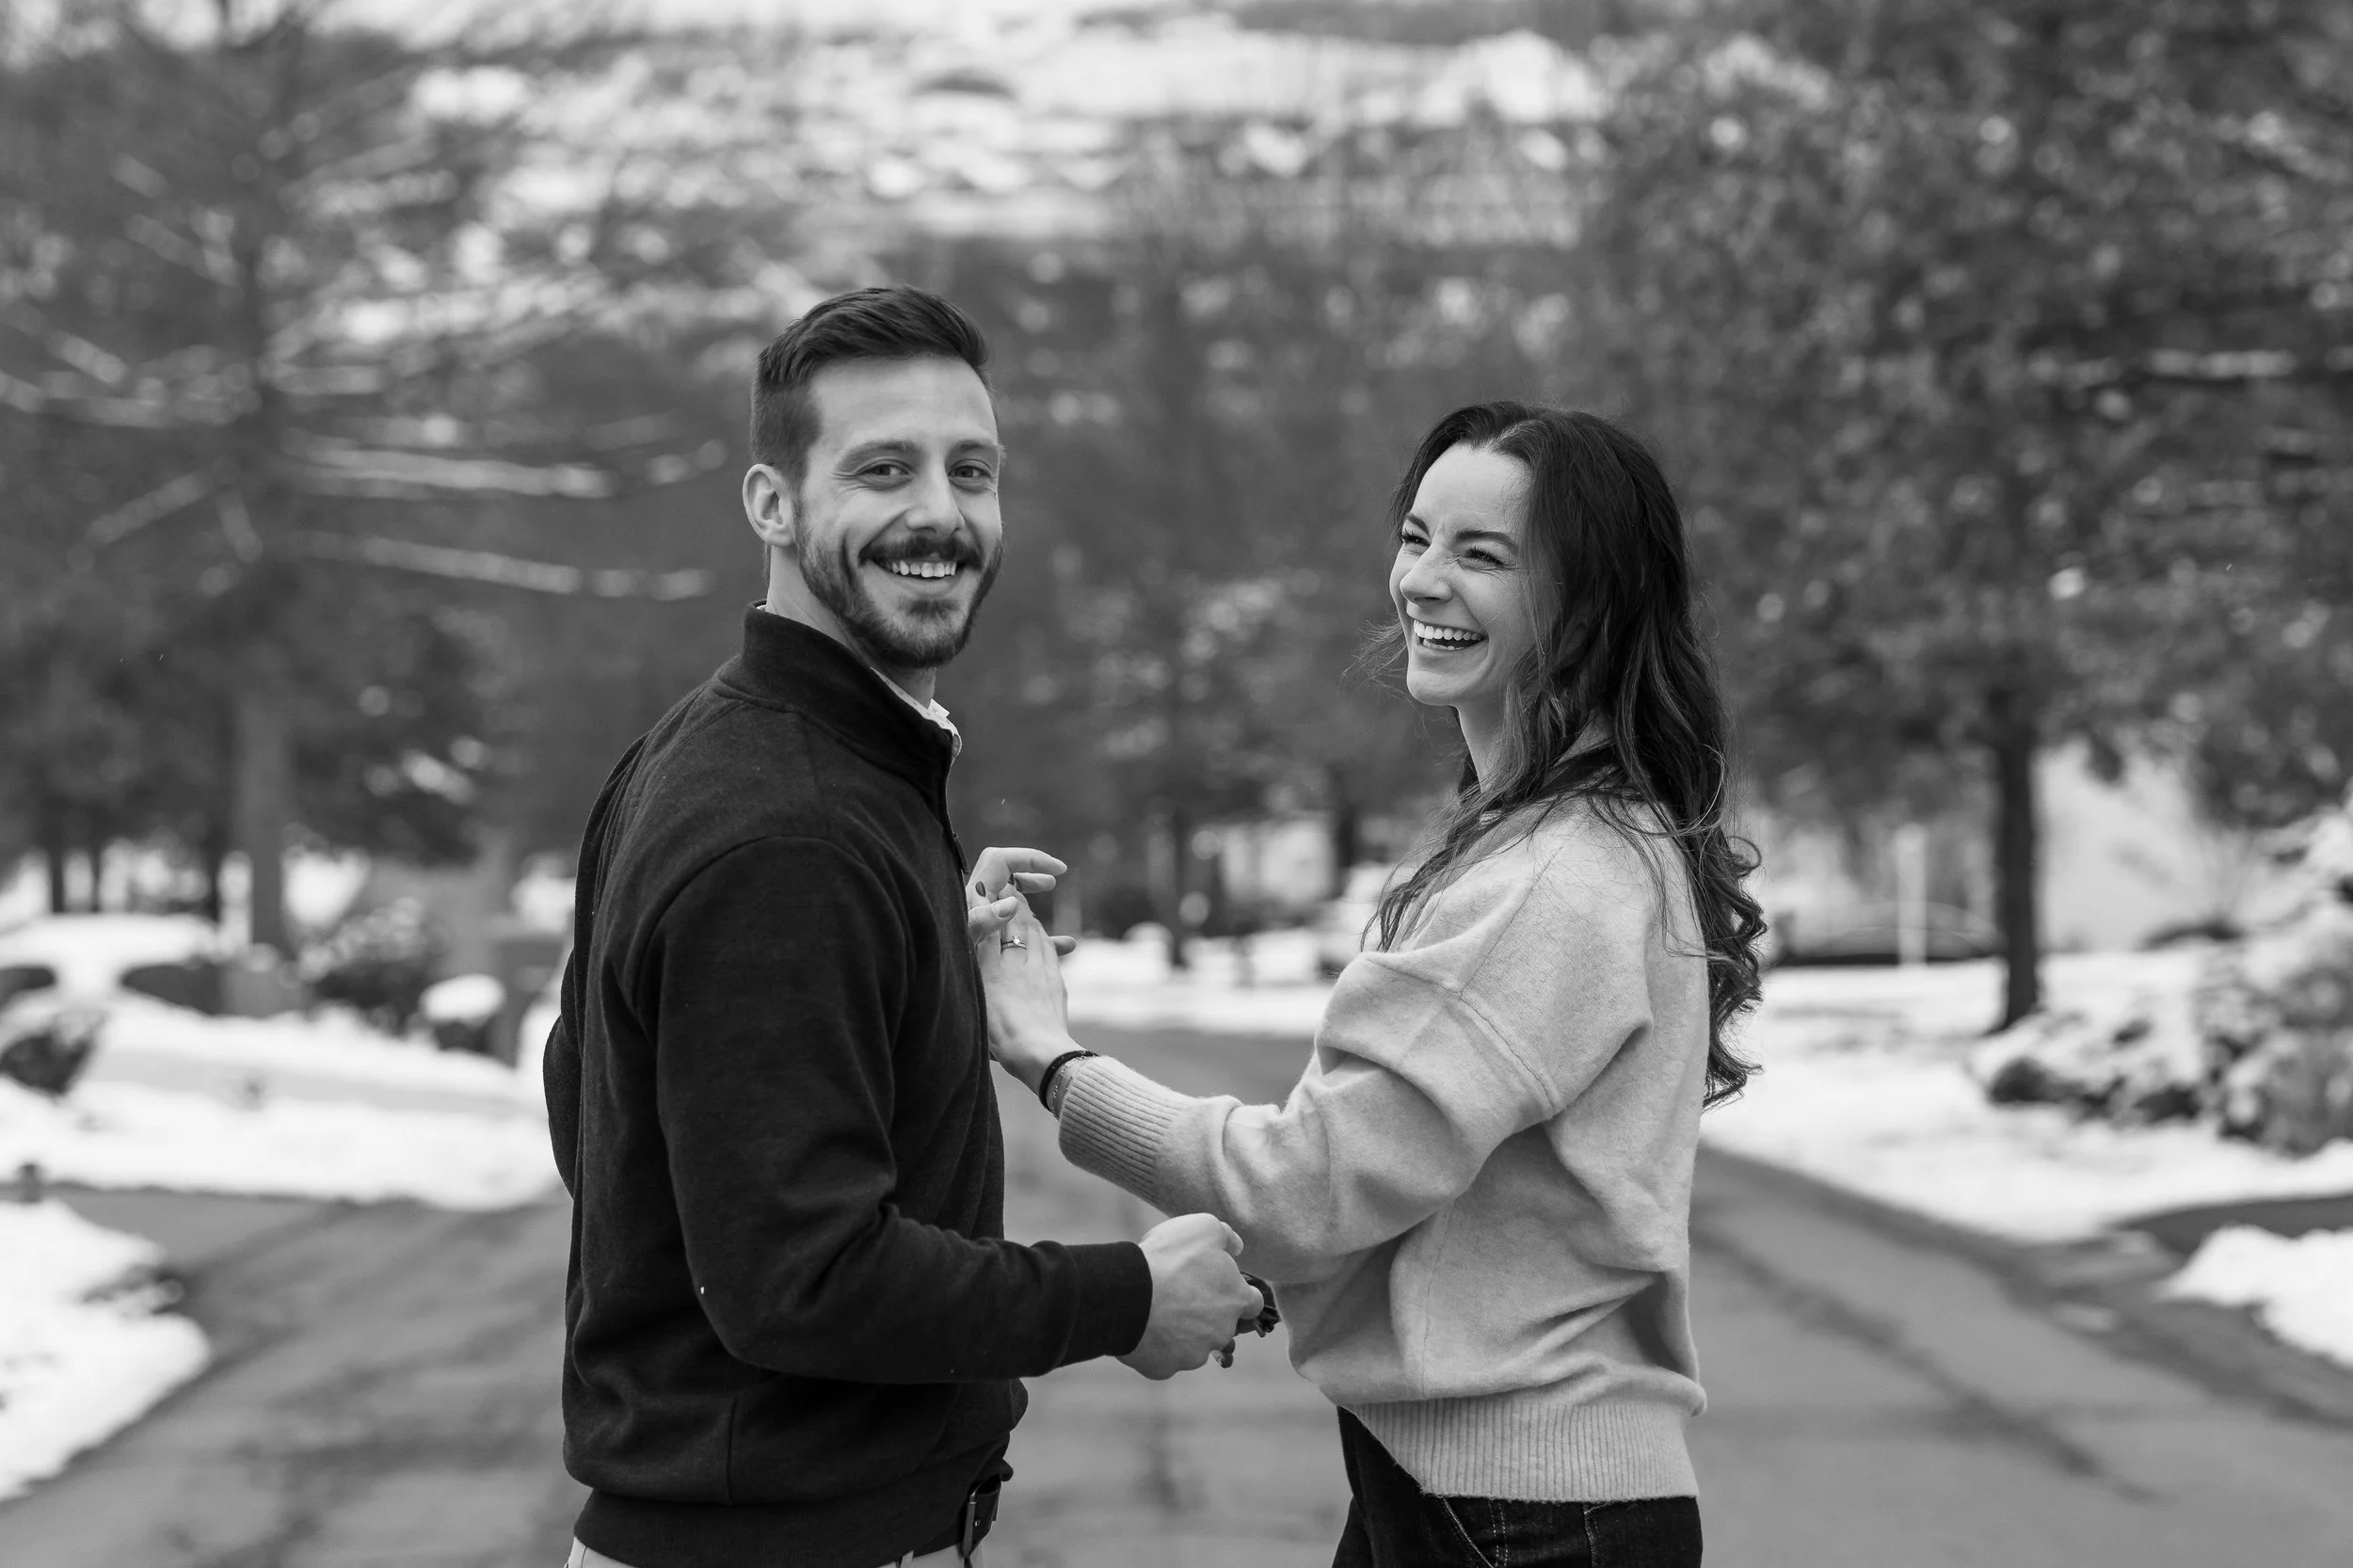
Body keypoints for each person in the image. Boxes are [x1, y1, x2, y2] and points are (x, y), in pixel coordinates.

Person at [542, 285, 1260, 1568]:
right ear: (773, 502)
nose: (941, 510)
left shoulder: (737, 758)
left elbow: (598, 1119)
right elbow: (800, 1277)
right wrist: (1129, 1297)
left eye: (970, 470)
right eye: (884, 468)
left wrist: (912, 949)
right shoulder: (790, 830)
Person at [977, 403, 1767, 1567]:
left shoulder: (1553, 878)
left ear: (1588, 605)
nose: (1423, 582)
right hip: (1481, 1499)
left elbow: (1305, 1183)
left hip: (1521, 1518)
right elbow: (1422, 1193)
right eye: (1416, 537)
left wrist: (1049, 1057)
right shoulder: (1557, 845)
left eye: (1482, 555)